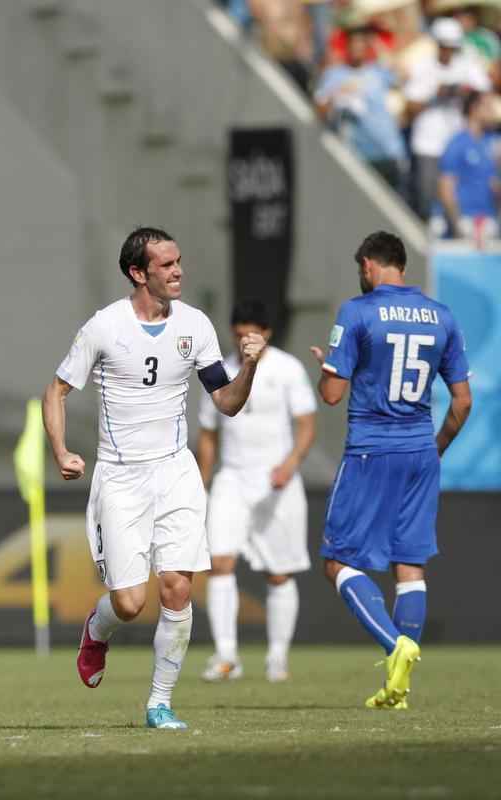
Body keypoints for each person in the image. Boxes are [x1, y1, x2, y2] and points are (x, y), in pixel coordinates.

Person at [43, 227, 265, 731]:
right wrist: (61, 451)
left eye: (178, 260)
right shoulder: (104, 326)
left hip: (176, 471)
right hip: (121, 477)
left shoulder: (196, 324)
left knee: (177, 588)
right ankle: (98, 629)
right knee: (129, 603)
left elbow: (226, 402)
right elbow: (55, 391)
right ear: (138, 273)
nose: (178, 270)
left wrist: (249, 368)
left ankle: (159, 703)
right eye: (166, 265)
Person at [309, 230, 471, 710]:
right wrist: (436, 448)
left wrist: (329, 367)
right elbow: (462, 402)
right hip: (420, 450)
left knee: (337, 560)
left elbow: (332, 394)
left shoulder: (357, 311)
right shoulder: (442, 316)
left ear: (368, 265)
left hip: (371, 450)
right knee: (410, 564)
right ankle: (399, 689)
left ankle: (394, 645)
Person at [197, 299, 317, 684]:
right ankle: (226, 656)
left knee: (278, 573)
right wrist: (201, 484)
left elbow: (306, 424)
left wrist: (290, 464)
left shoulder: (287, 368)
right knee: (220, 563)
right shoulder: (218, 370)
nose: (243, 341)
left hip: (276, 482)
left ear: (266, 333)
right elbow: (208, 435)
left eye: (250, 334)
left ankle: (277, 657)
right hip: (232, 479)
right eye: (237, 334)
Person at [405, 17, 490, 218]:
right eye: (445, 46)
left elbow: (483, 89)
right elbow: (410, 107)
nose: (449, 52)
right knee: (427, 198)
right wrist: (435, 95)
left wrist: (465, 91)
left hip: (456, 142)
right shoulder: (423, 67)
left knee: (456, 198)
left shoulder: (465, 65)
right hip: (428, 144)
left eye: (453, 47)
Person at [315, 25, 409, 189]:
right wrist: (337, 94)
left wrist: (378, 45)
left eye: (361, 45)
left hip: (388, 150)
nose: (357, 49)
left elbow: (403, 76)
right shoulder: (334, 75)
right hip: (357, 154)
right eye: (353, 45)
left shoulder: (377, 71)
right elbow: (319, 110)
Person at [435, 90, 500, 241]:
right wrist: (457, 224)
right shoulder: (457, 143)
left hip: (488, 220)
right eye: (488, 106)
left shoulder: (491, 142)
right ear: (474, 109)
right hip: (465, 220)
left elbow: (493, 183)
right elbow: (446, 187)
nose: (493, 112)